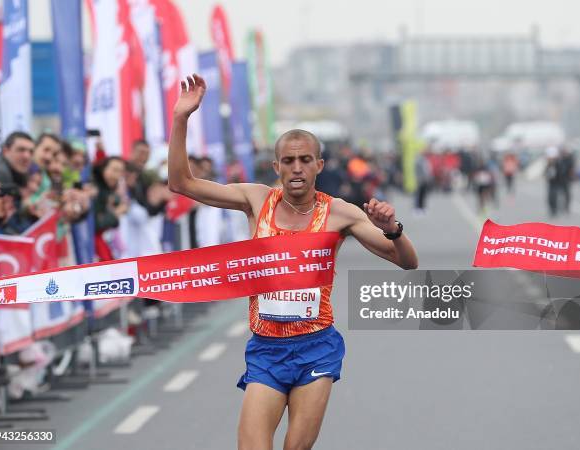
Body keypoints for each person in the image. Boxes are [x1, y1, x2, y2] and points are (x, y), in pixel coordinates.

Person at [168, 74, 418, 450]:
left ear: (319, 165)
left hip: (316, 347)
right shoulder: (255, 200)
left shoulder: (339, 213)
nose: (297, 168)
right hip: (266, 349)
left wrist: (393, 229)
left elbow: (406, 263)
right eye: (289, 161)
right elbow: (181, 183)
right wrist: (181, 119)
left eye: (305, 160)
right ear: (276, 167)